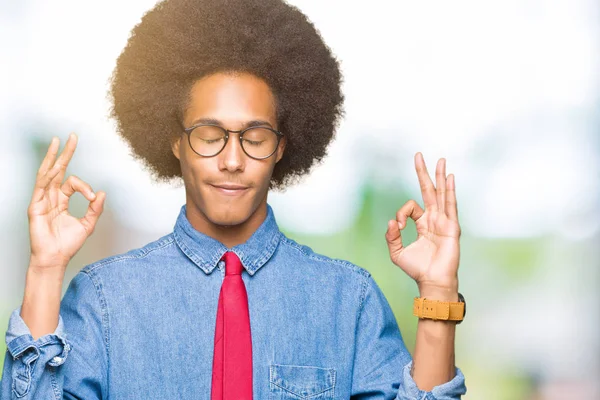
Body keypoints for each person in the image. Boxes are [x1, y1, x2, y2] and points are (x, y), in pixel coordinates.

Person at [1, 0, 467, 398]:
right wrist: (45, 271)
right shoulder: (104, 300)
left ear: (282, 146)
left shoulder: (349, 301)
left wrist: (439, 295)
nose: (232, 160)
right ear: (176, 142)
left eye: (255, 136)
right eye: (209, 135)